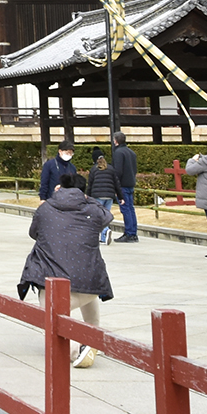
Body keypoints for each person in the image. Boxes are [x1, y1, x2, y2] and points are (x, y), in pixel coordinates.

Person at [17, 170, 112, 370]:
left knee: (50, 315)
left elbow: (33, 232)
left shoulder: (45, 209)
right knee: (87, 293)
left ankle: (78, 349)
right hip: (89, 281)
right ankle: (94, 336)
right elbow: (107, 216)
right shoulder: (93, 210)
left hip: (52, 281)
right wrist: (88, 199)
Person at [110, 131, 139, 243]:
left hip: (122, 184)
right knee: (130, 208)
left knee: (125, 209)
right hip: (130, 182)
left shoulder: (118, 153)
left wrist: (115, 185)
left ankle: (129, 233)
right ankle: (133, 232)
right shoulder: (131, 152)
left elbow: (118, 171)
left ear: (116, 141)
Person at [87, 154, 120, 244]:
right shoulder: (111, 169)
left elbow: (90, 184)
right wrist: (121, 197)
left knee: (98, 216)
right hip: (109, 195)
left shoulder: (94, 169)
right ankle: (103, 237)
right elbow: (116, 183)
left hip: (98, 195)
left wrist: (87, 197)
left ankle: (105, 230)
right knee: (106, 215)